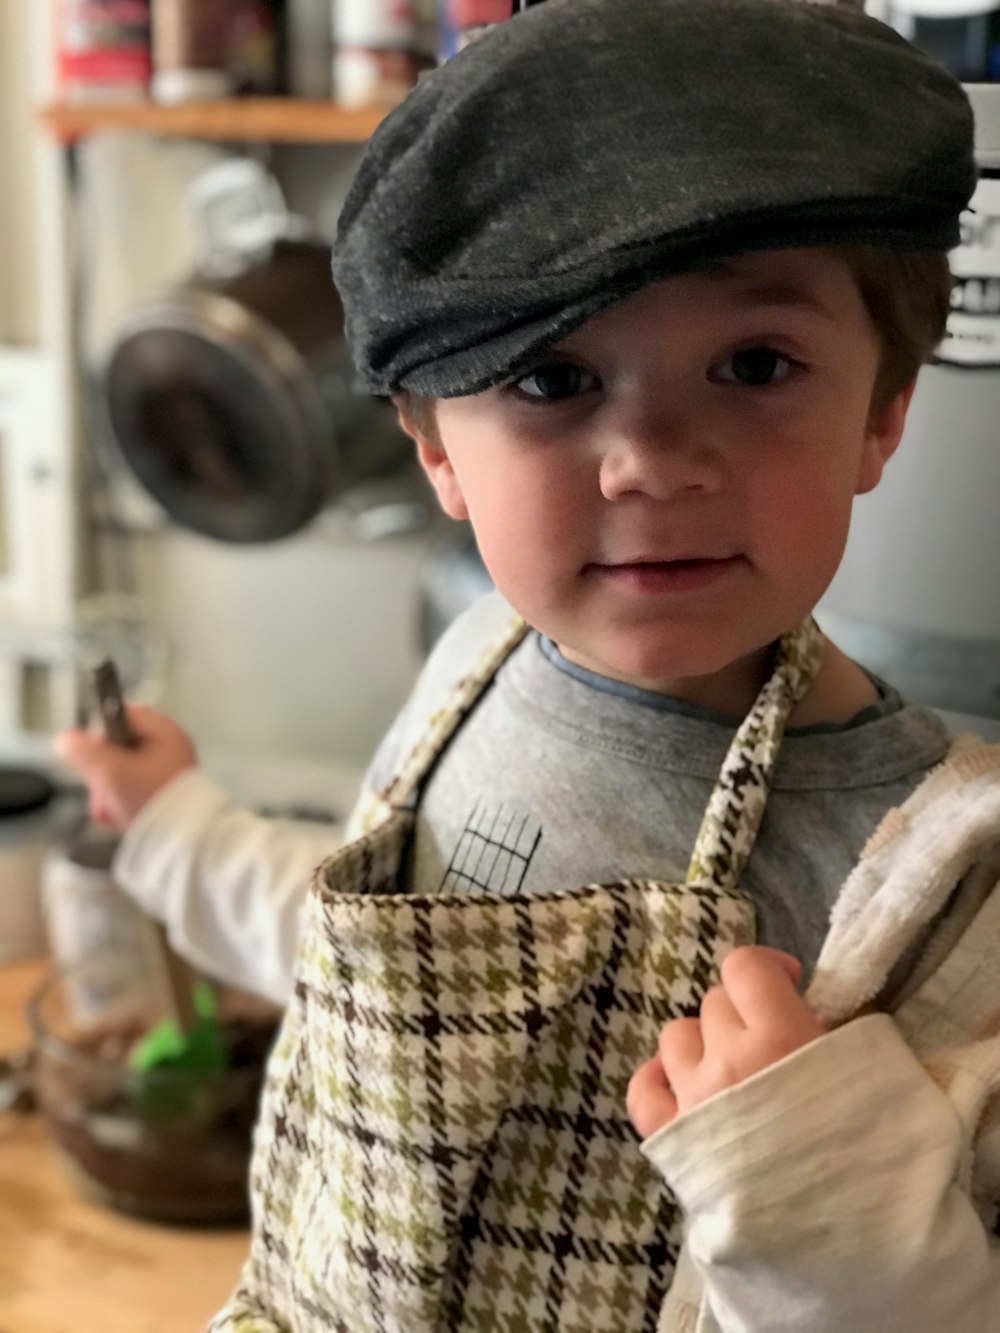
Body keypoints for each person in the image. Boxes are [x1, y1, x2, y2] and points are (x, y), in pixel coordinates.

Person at [63, 2, 1000, 1329]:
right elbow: (370, 978)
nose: (655, 460)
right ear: (434, 447)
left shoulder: (941, 873)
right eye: (556, 379)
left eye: (754, 363)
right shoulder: (474, 669)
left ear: (880, 411)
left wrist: (832, 1194)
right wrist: (177, 829)